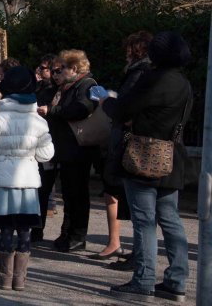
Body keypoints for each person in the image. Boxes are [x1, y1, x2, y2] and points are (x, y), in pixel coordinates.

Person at [107, 31, 193, 302]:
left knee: (144, 221)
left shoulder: (152, 79)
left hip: (143, 155)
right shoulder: (184, 83)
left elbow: (123, 110)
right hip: (173, 155)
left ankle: (143, 280)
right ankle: (177, 280)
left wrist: (108, 102)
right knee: (171, 219)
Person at [0, 66, 55, 291]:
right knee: (24, 229)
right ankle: (20, 279)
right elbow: (45, 155)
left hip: (3, 180)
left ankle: (4, 278)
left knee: (5, 228)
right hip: (28, 181)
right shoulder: (39, 122)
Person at [93, 31, 152, 263]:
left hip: (132, 144)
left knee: (141, 208)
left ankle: (140, 259)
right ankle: (133, 252)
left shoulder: (139, 73)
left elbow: (126, 110)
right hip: (129, 141)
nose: (125, 56)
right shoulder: (142, 73)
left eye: (129, 51)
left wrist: (108, 102)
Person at [37, 49, 99, 252]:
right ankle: (67, 234)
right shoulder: (67, 86)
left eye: (62, 68)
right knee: (69, 193)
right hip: (66, 147)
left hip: (79, 148)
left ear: (74, 68)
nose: (58, 72)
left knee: (77, 193)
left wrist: (52, 110)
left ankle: (77, 236)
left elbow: (83, 108)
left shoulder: (87, 85)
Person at [31, 54, 59, 243]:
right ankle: (36, 229)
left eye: (45, 68)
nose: (42, 71)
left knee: (45, 188)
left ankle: (39, 228)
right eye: (40, 68)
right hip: (37, 139)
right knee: (38, 188)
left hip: (52, 141)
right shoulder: (39, 87)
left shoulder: (58, 90)